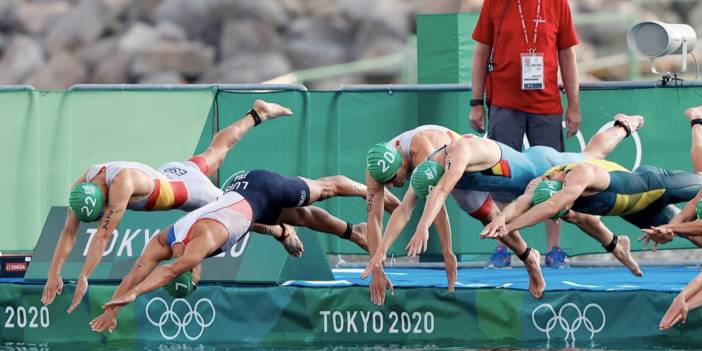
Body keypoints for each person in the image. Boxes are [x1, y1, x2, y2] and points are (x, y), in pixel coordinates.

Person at [41, 99, 293, 312]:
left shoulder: (121, 186)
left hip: (186, 191)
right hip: (173, 172)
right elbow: (68, 231)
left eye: (101, 211)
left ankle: (280, 230)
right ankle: (256, 113)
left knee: (238, 213)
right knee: (216, 151)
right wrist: (54, 272)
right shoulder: (85, 182)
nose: (102, 214)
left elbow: (103, 235)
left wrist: (84, 276)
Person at [88, 169, 390, 333]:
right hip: (246, 205)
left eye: (193, 277)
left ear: (193, 272)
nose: (197, 273)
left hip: (262, 188)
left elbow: (167, 270)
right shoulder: (163, 241)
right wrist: (115, 306)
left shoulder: (199, 247)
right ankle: (355, 232)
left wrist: (133, 296)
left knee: (324, 190)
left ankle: (373, 190)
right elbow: (136, 273)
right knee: (302, 217)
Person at [406, 114, 645, 276]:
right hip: (524, 180)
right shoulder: (435, 164)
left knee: (592, 156)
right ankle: (616, 245)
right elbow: (425, 196)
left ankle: (623, 124)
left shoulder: (459, 153)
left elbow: (440, 191)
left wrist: (422, 227)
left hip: (541, 166)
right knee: (574, 214)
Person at [483, 107, 702, 261]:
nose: (564, 212)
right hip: (636, 210)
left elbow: (550, 206)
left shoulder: (579, 176)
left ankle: (696, 120)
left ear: (559, 193)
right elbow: (522, 202)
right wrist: (501, 219)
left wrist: (509, 228)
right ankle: (624, 125)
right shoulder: (539, 183)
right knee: (693, 235)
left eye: (561, 207)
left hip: (656, 186)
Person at [364, 127, 544, 301]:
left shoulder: (420, 147)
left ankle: (528, 255)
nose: (389, 186)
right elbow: (376, 219)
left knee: (489, 214)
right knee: (489, 219)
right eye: (385, 182)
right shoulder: (374, 169)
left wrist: (447, 251)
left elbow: (437, 200)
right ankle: (529, 257)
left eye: (392, 179)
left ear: (401, 163)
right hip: (444, 177)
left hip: (459, 165)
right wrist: (377, 268)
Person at [470, 0, 581, 268]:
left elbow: (567, 54)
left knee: (555, 178)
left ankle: (554, 250)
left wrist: (574, 105)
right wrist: (476, 103)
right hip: (503, 105)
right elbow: (481, 53)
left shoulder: (558, 4)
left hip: (546, 106)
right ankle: (504, 246)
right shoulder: (494, 4)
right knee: (499, 177)